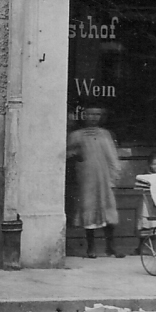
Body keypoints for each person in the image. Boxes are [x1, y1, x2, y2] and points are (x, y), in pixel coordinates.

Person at [67, 106, 124, 258]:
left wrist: (114, 177)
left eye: (97, 114)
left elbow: (112, 157)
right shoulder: (76, 135)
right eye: (90, 114)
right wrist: (75, 154)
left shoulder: (105, 135)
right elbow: (67, 154)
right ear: (84, 115)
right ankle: (90, 248)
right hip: (86, 180)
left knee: (108, 211)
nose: (94, 117)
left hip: (104, 180)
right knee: (89, 210)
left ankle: (110, 247)